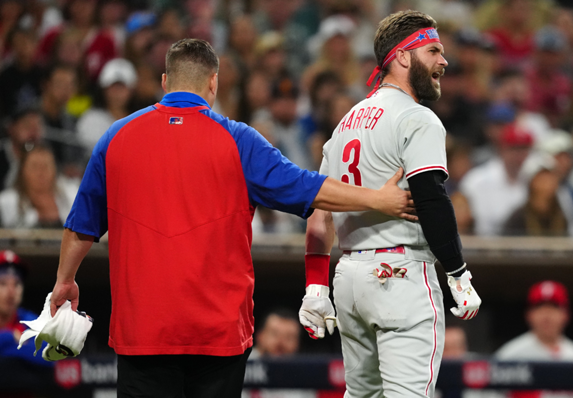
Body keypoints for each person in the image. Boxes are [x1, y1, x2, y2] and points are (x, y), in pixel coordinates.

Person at [47, 38, 416, 398]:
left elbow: (80, 226)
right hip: (218, 337)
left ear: (165, 82)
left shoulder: (115, 137)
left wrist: (65, 281)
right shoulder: (238, 139)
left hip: (142, 333)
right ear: (213, 82)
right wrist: (378, 198)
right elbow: (312, 189)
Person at [298, 11, 481, 398]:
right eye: (433, 50)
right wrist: (458, 272)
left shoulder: (345, 122)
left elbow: (319, 214)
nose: (443, 62)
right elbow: (431, 199)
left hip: (348, 279)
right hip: (400, 274)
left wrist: (316, 285)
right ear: (401, 57)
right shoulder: (417, 117)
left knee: (361, 395)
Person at [496, 280, 573, 398]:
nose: (546, 315)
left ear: (566, 314)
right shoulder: (510, 354)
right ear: (528, 314)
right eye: (539, 307)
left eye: (554, 307)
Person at [460, 123, 534, 236]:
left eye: (524, 148)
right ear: (502, 149)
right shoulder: (476, 180)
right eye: (514, 148)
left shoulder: (534, 179)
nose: (520, 155)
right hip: (482, 249)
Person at [0, 144, 79, 228]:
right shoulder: (6, 202)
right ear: (22, 171)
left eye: (46, 166)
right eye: (35, 166)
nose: (41, 173)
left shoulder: (72, 196)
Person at [0, 250, 50, 368]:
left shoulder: (29, 320)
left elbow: (50, 355)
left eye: (16, 284)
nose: (11, 292)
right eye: (2, 284)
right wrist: (11, 337)